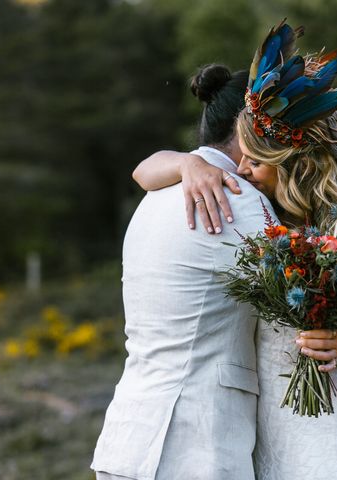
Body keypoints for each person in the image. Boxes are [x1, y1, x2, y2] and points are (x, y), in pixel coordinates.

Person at [132, 21, 337, 479]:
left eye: (255, 160)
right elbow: (144, 171)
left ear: (293, 165)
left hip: (325, 451)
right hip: (255, 454)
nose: (243, 170)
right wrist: (188, 162)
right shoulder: (253, 221)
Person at [90, 64, 278, 480]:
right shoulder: (237, 199)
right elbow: (292, 307)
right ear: (252, 130)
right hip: (198, 447)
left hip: (128, 440)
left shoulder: (154, 195)